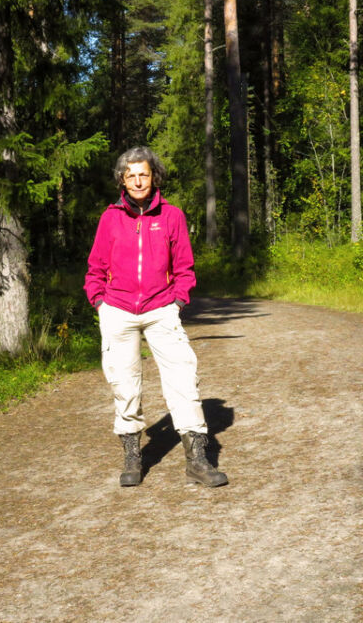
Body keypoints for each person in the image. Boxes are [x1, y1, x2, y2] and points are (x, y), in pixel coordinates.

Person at [84, 145, 228, 488]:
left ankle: (197, 460)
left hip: (161, 309)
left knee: (183, 380)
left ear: (154, 177)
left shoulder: (172, 216)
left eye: (143, 174)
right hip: (117, 311)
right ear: (122, 179)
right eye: (130, 175)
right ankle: (133, 456)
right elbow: (95, 267)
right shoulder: (110, 217)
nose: (137, 181)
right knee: (125, 385)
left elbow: (184, 268)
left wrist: (176, 302)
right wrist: (100, 303)